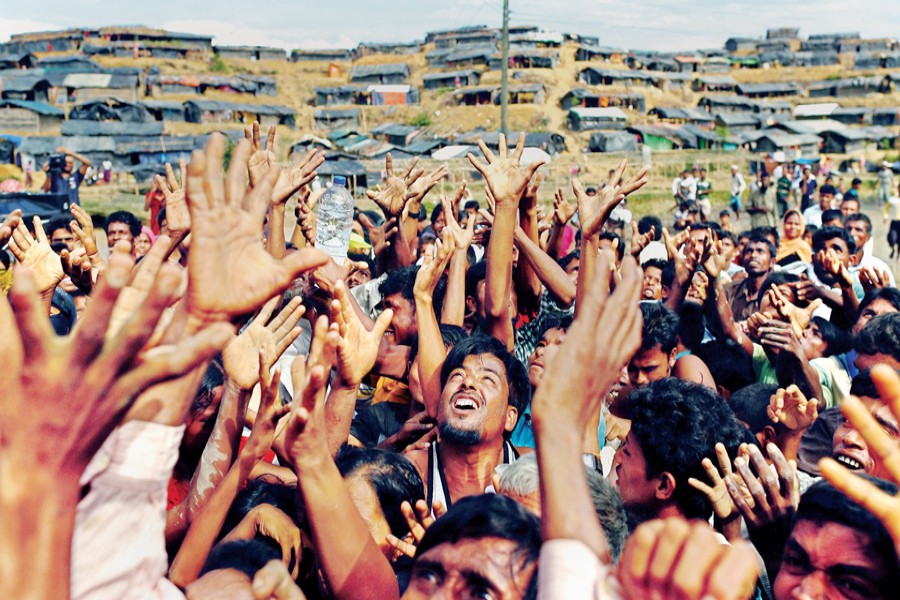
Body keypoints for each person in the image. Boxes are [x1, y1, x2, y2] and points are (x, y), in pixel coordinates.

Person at [404, 336, 529, 508]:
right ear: (439, 405)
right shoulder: (411, 472)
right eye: (457, 375)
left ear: (510, 417)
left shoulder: (534, 472)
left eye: (487, 379)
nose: (468, 382)